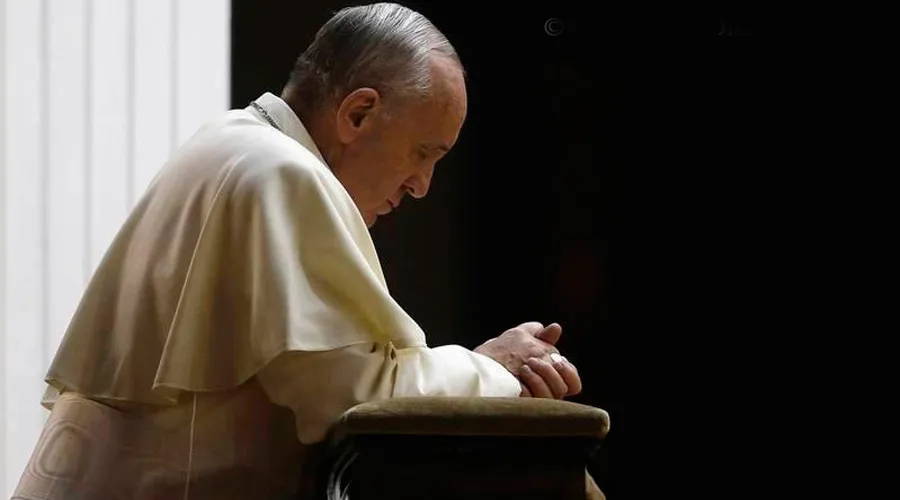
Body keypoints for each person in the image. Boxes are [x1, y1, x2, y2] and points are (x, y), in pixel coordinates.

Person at [12, 3, 601, 499]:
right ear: (359, 113)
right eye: (424, 153)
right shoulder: (280, 173)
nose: (421, 186)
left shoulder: (234, 145)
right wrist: (492, 368)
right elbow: (352, 397)